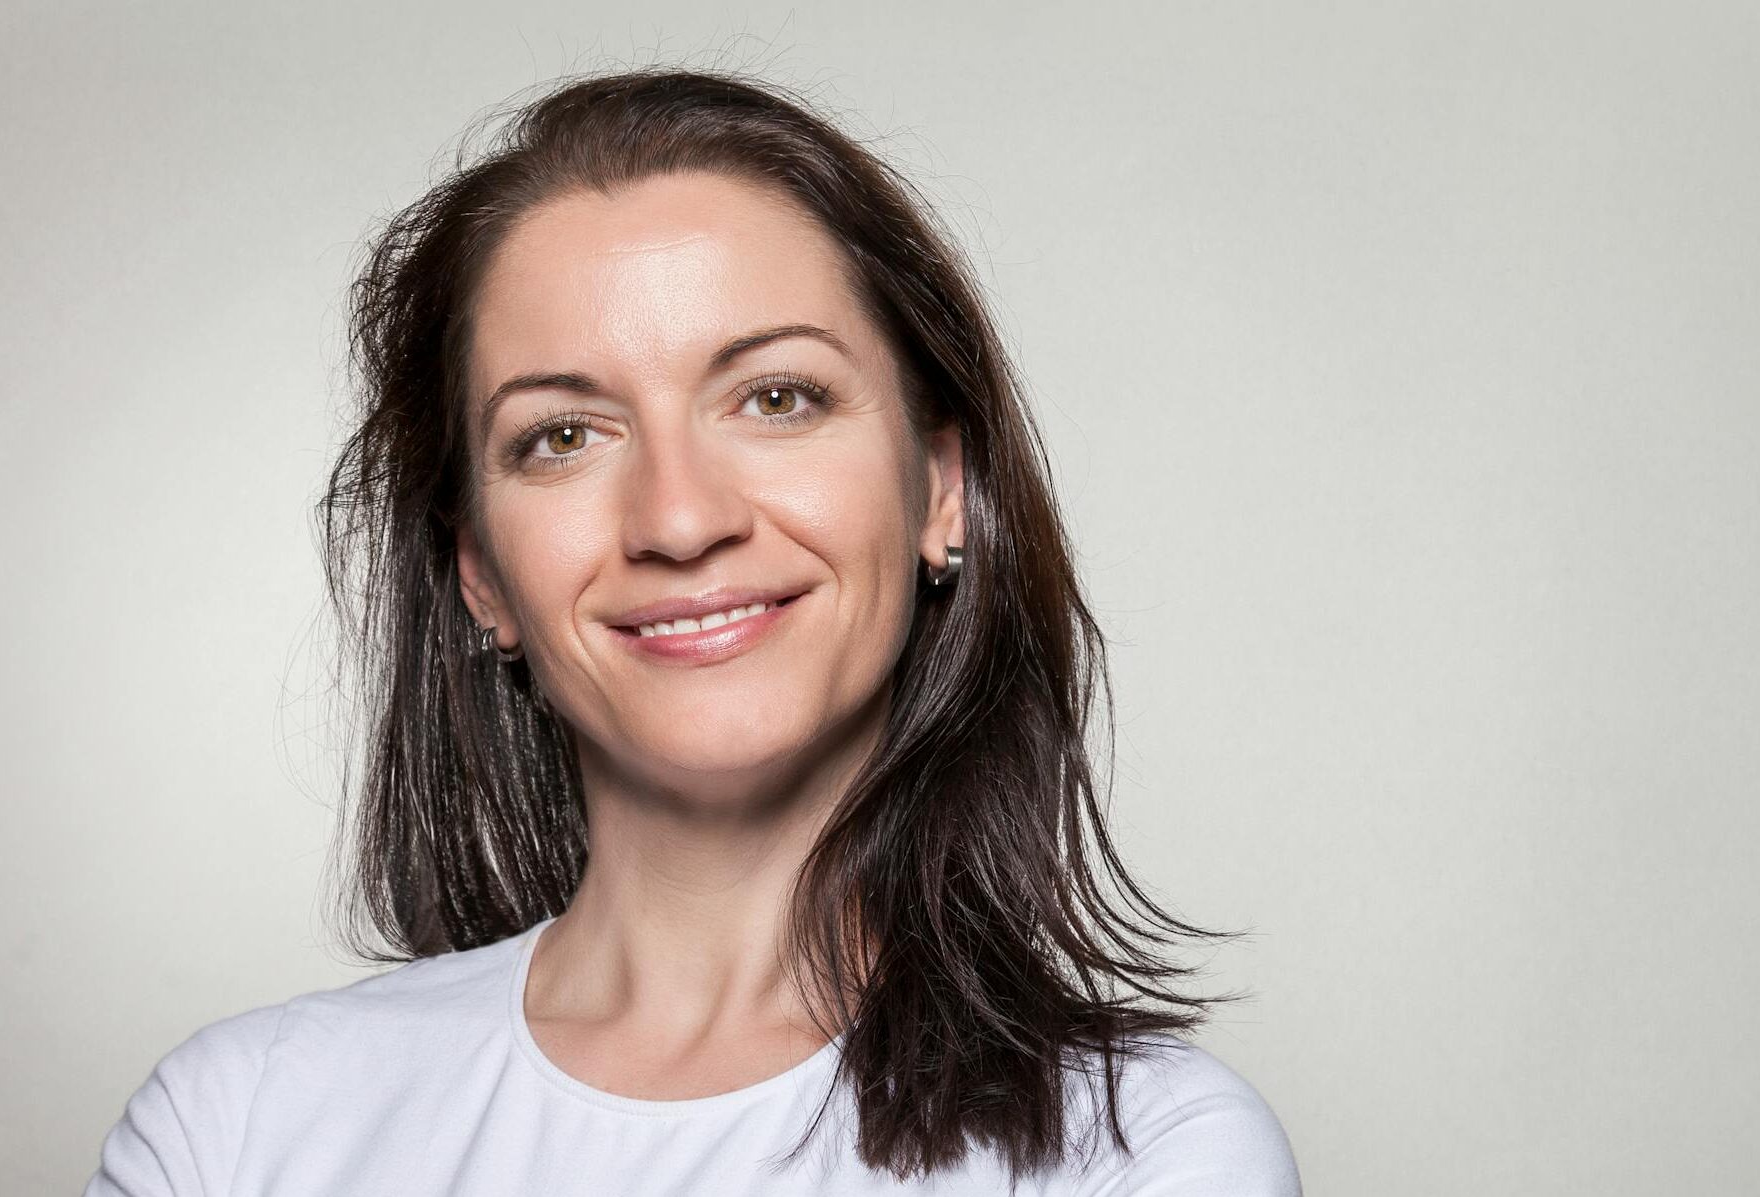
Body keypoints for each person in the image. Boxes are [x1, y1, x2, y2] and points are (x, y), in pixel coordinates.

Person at [85, 66, 1303, 1195]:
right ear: (481, 576)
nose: (678, 518)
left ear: (940, 489)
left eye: (777, 399)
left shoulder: (1145, 1155)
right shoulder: (237, 1129)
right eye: (562, 435)